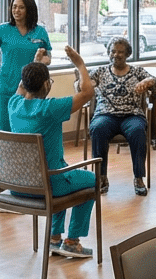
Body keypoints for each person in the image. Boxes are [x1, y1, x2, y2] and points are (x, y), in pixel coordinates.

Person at [8, 48, 97, 259]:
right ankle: (72, 241)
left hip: (18, 186)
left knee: (59, 170)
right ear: (47, 85)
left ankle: (55, 238)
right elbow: (87, 93)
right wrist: (80, 63)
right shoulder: (51, 108)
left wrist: (35, 63)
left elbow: (23, 85)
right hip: (47, 185)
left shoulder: (13, 105)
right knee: (92, 179)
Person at [88, 36, 156, 197]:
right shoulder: (100, 71)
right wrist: (85, 83)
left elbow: (155, 82)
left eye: (120, 52)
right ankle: (101, 177)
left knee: (138, 131)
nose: (116, 55)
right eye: (113, 51)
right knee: (98, 128)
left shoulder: (136, 71)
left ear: (127, 54)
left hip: (131, 115)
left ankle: (139, 178)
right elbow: (82, 85)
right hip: (105, 115)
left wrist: (147, 81)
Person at [0, 0, 52, 131]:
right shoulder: (3, 29)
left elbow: (48, 58)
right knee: (5, 131)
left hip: (32, 90)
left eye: (21, 7)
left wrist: (39, 60)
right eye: (14, 7)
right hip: (6, 88)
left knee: (28, 130)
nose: (16, 11)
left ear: (29, 9)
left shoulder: (40, 32)